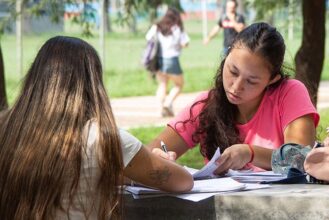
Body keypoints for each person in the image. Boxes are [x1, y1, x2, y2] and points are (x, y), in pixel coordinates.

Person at [0, 36, 193, 219]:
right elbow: (183, 181)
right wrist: (163, 162)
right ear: (93, 84)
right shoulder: (104, 137)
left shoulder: (7, 127)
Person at [148, 22, 320, 175]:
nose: (236, 87)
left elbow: (302, 159)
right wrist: (158, 157)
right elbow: (147, 155)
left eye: (251, 81)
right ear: (227, 55)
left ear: (272, 80)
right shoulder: (206, 105)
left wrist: (250, 153)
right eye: (233, 71)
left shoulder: (289, 92)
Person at [145, 7, 190, 117]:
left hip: (159, 60)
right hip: (172, 60)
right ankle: (168, 103)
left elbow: (148, 37)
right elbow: (185, 43)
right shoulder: (176, 28)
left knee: (163, 84)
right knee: (179, 84)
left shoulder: (157, 26)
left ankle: (161, 110)